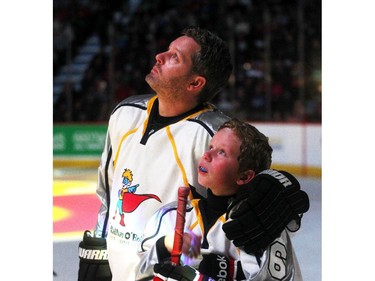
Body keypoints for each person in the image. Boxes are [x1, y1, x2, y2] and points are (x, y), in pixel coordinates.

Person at [77, 26, 308, 281]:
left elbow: (250, 203)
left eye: (175, 57)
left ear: (195, 83)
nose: (159, 56)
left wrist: (277, 185)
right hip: (120, 269)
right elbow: (108, 191)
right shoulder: (124, 113)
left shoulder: (215, 132)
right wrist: (98, 245)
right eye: (167, 50)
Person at [136, 118, 305, 280]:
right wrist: (164, 245)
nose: (207, 155)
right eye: (210, 146)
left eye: (222, 152)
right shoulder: (171, 215)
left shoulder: (257, 228)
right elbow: (141, 272)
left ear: (245, 176)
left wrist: (208, 273)